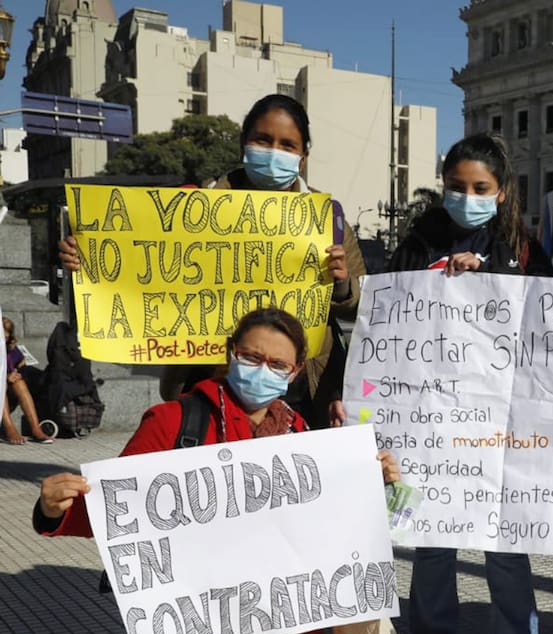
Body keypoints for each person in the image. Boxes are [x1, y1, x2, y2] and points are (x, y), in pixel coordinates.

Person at [33, 307, 399, 634]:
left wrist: (372, 481)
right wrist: (55, 509)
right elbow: (120, 510)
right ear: (231, 354)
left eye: (278, 364)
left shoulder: (299, 436)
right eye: (252, 356)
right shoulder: (175, 420)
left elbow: (333, 520)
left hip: (277, 621)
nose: (263, 370)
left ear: (293, 374)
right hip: (207, 628)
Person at [56, 94, 365, 428]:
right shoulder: (192, 208)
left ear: (303, 157)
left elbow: (361, 309)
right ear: (244, 143)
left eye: (287, 144)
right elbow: (143, 269)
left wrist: (342, 283)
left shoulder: (327, 219)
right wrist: (90, 259)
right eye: (263, 140)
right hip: (213, 385)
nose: (274, 151)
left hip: (301, 392)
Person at [383, 132, 553, 634]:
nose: (467, 196)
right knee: (431, 541)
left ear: (502, 192)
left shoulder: (524, 251)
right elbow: (386, 320)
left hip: (500, 424)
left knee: (506, 546)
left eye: (480, 187)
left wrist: (488, 281)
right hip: (429, 420)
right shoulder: (416, 244)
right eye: (456, 186)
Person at [3, 316, 55, 444]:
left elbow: (21, 364)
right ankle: (9, 428)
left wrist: (16, 374)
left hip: (8, 397)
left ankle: (36, 429)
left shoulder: (10, 349)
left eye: (6, 336)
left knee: (19, 382)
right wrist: (4, 378)